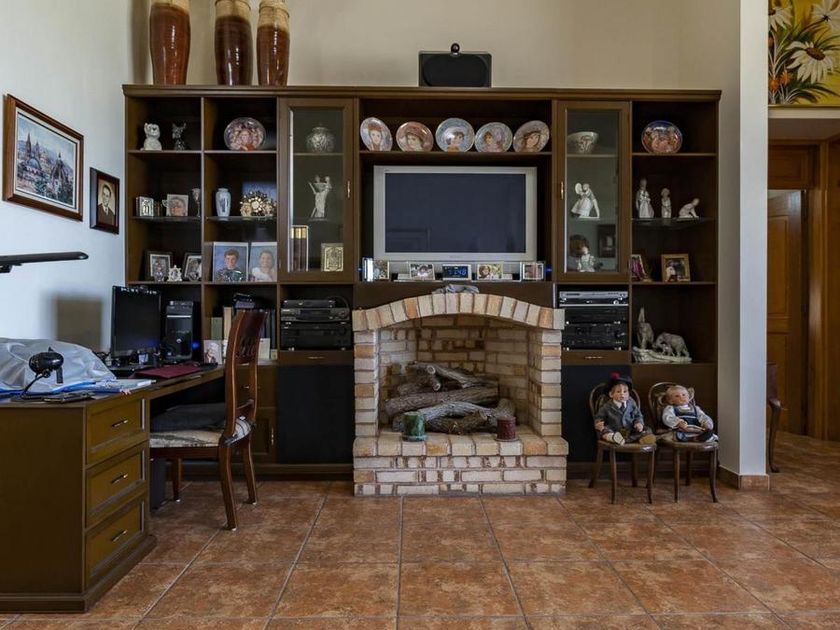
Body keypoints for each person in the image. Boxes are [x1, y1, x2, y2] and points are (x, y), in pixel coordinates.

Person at [594, 373, 656, 445]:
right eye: (618, 391)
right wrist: (598, 424)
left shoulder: (631, 403)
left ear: (629, 393)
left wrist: (639, 423)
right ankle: (613, 438)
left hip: (630, 431)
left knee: (647, 429)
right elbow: (599, 417)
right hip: (614, 431)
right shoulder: (607, 406)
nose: (622, 394)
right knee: (604, 431)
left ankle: (641, 438)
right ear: (611, 394)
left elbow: (638, 415)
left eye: (625, 391)